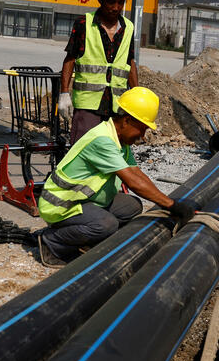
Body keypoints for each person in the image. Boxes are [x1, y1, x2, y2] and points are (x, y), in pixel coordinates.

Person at [36, 86, 195, 268]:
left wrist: (167, 202)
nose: (142, 136)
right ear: (126, 120)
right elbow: (133, 182)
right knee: (106, 224)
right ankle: (51, 242)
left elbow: (137, 174)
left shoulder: (119, 140)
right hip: (61, 205)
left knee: (132, 206)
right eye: (141, 129)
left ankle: (86, 238)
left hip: (85, 199)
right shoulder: (103, 140)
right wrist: (173, 206)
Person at [57, 0, 139, 144]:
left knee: (112, 156)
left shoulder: (128, 28)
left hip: (117, 107)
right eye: (111, 2)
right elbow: (70, 59)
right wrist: (64, 93)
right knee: (83, 152)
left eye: (121, 2)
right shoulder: (84, 24)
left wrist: (137, 95)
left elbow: (130, 63)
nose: (116, 7)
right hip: (88, 106)